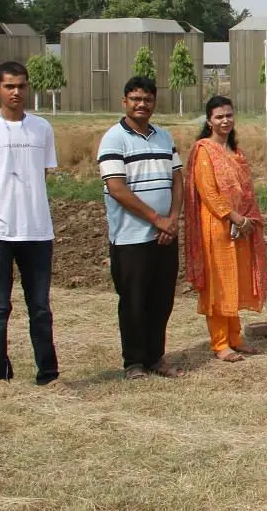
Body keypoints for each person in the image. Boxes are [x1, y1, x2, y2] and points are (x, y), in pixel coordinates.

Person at [0, 62, 60, 393]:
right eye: (9, 86)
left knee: (39, 306)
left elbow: (43, 173)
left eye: (21, 86)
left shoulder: (42, 129)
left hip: (36, 231)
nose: (16, 92)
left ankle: (48, 373)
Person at [98, 77, 184, 380]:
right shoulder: (113, 139)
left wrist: (171, 220)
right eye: (135, 99)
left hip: (165, 235)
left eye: (147, 99)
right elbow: (117, 189)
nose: (141, 104)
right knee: (134, 301)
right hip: (131, 238)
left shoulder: (164, 137)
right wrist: (155, 219)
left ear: (154, 102)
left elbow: (177, 180)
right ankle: (133, 362)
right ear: (125, 102)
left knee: (161, 300)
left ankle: (155, 357)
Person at [183, 96, 267, 362]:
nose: (225, 121)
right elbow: (208, 192)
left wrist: (246, 220)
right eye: (219, 116)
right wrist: (234, 217)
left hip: (240, 227)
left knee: (235, 281)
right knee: (219, 284)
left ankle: (235, 338)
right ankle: (220, 344)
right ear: (209, 120)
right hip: (217, 225)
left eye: (229, 115)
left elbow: (245, 191)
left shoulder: (236, 152)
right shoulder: (204, 151)